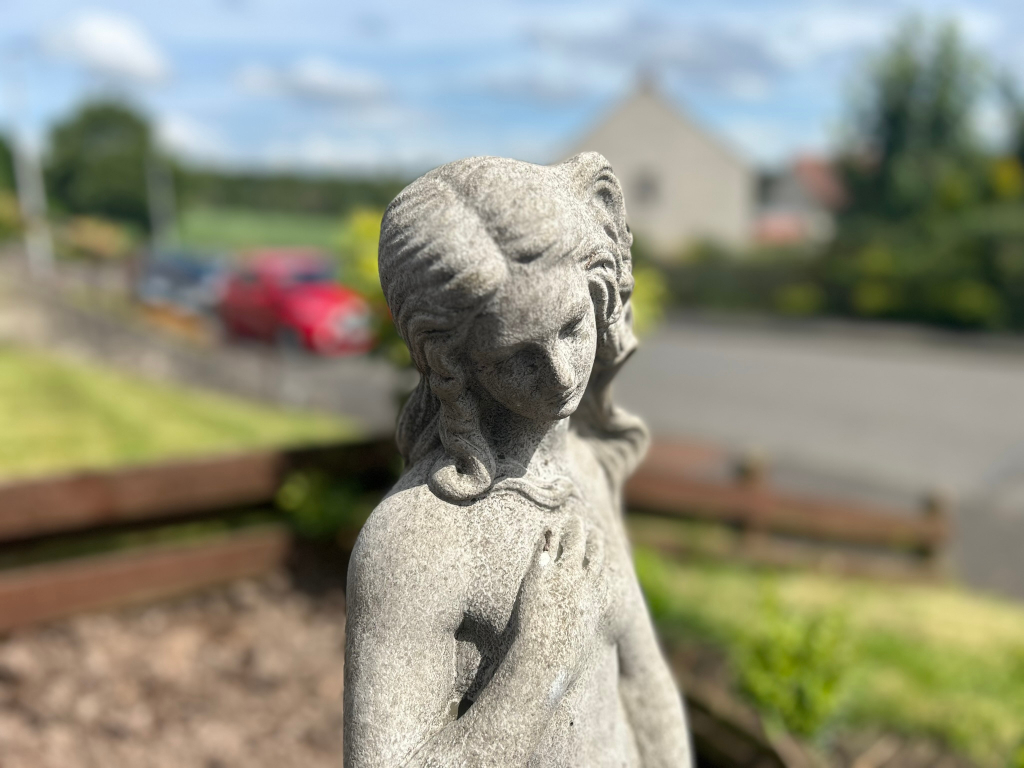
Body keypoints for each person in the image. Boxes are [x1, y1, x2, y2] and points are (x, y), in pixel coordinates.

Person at [344, 153, 692, 767]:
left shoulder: (582, 468)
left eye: (572, 327)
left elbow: (643, 683)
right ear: (453, 363)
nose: (561, 375)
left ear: (599, 295)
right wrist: (535, 665)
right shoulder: (417, 542)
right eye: (517, 356)